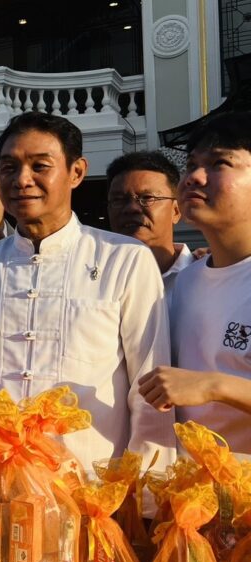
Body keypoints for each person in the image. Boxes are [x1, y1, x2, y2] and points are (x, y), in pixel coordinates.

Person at [0, 112, 174, 470]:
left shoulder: (124, 259)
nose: (22, 180)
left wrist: (147, 489)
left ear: (76, 172)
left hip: (93, 484)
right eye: (9, 168)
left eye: (40, 166)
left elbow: (150, 389)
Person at [139, 112, 251, 455]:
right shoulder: (186, 281)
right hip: (189, 484)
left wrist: (213, 386)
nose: (193, 178)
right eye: (191, 165)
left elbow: (201, 385)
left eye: (219, 163)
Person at [106, 151, 192, 303]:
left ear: (176, 211)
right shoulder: (95, 279)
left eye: (147, 198)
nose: (131, 208)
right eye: (118, 200)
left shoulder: (205, 277)